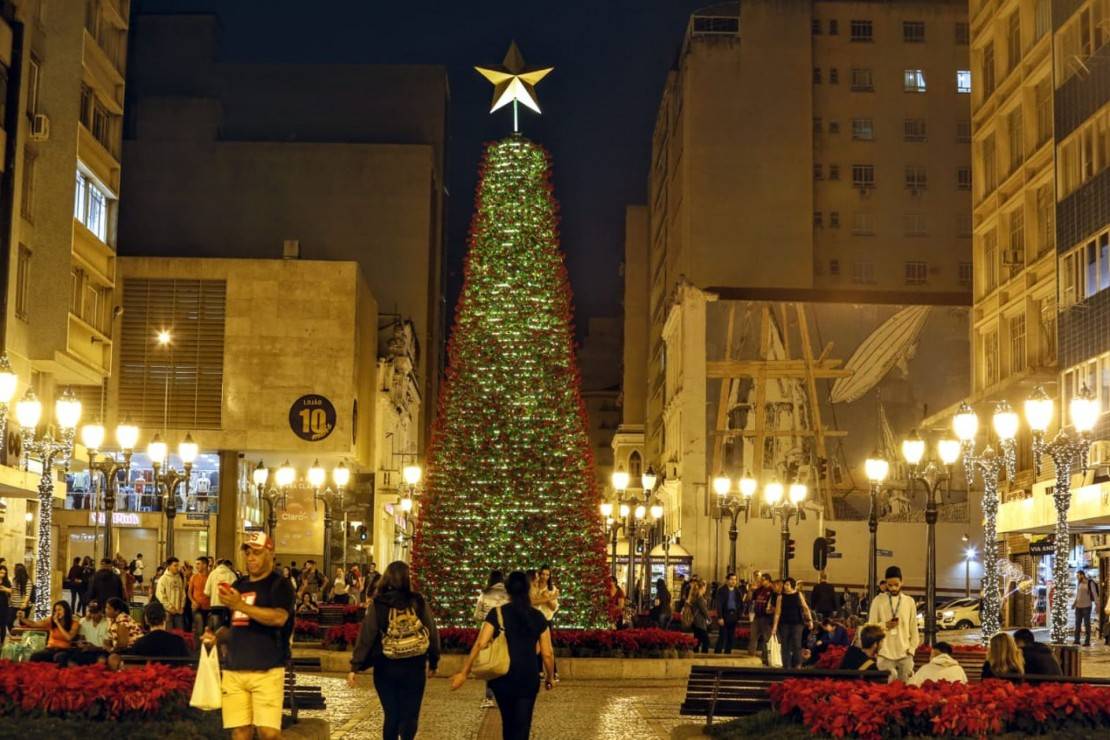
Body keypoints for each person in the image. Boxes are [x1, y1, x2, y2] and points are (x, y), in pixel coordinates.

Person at [203, 531, 295, 740]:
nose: (251, 558)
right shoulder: (239, 586)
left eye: (257, 553)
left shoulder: (280, 585)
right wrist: (215, 637)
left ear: (270, 555)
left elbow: (279, 618)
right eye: (248, 553)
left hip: (267, 669)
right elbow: (232, 626)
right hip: (235, 669)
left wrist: (241, 605)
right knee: (240, 732)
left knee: (268, 733)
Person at [451, 571, 555, 740]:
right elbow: (547, 654)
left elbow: (480, 643)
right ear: (528, 589)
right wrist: (550, 677)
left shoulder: (497, 613)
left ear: (508, 590)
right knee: (523, 725)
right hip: (528, 676)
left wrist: (464, 672)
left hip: (502, 676)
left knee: (508, 722)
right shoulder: (537, 617)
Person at [348, 561, 440, 740]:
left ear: (386, 578)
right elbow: (432, 632)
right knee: (410, 714)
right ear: (407, 578)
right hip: (414, 667)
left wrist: (355, 666)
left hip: (386, 667)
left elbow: (367, 636)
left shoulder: (378, 604)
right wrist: (434, 661)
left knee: (392, 715)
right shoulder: (418, 601)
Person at [866, 566, 919, 682]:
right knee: (888, 683)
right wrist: (885, 625)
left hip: (905, 653)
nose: (893, 588)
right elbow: (870, 627)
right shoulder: (878, 601)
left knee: (907, 688)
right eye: (890, 585)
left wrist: (911, 649)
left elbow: (914, 628)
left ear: (902, 582)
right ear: (886, 584)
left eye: (896, 584)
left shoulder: (909, 602)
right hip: (884, 653)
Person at [109, 601, 190, 669]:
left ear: (146, 620)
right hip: (173, 684)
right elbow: (186, 665)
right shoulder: (178, 642)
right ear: (165, 617)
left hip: (148, 683)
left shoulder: (140, 643)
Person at [474, 570, 511, 708]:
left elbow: (478, 615)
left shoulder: (484, 594)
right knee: (504, 660)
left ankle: (489, 697)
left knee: (490, 662)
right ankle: (506, 695)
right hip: (505, 632)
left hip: (488, 632)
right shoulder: (509, 594)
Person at [771, 577, 812, 669]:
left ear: (792, 585)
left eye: (787, 585)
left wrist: (810, 620)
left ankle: (798, 664)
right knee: (785, 645)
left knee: (797, 643)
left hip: (797, 623)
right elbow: (777, 613)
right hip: (784, 624)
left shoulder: (798, 594)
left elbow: (805, 608)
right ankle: (786, 666)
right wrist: (774, 627)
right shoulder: (780, 597)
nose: (785, 586)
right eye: (785, 585)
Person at [530, 565, 559, 679]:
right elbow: (532, 602)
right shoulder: (534, 586)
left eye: (547, 575)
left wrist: (548, 598)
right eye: (543, 574)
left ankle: (553, 671)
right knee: (535, 645)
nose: (545, 577)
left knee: (547, 647)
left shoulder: (552, 589)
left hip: (546, 619)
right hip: (533, 619)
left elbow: (553, 607)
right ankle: (539, 671)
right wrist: (547, 598)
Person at [747, 573, 775, 662]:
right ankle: (750, 656)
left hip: (766, 618)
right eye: (761, 580)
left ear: (768, 580)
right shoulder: (759, 590)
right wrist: (750, 590)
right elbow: (751, 599)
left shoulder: (772, 590)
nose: (761, 581)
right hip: (757, 616)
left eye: (763, 580)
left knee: (766, 638)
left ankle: (765, 658)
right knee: (753, 637)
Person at [714, 572, 743, 654]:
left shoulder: (737, 591)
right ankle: (717, 653)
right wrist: (720, 617)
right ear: (727, 580)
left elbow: (741, 604)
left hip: (733, 616)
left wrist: (739, 615)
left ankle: (728, 653)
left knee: (731, 637)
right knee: (722, 636)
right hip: (724, 615)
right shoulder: (721, 590)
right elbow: (718, 605)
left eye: (735, 579)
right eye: (731, 579)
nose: (733, 581)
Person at [205, 558, 238, 629]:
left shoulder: (212, 574)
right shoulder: (232, 575)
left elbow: (207, 592)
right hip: (227, 606)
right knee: (225, 629)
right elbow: (236, 591)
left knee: (216, 629)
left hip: (214, 605)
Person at [156, 557, 186, 630]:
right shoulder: (163, 579)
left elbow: (183, 593)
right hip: (167, 612)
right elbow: (160, 596)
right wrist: (170, 608)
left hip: (178, 611)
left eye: (178, 565)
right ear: (169, 566)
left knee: (180, 633)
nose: (177, 568)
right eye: (175, 565)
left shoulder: (179, 578)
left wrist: (182, 606)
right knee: (168, 633)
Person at [1073, 570, 1099, 647]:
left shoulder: (1090, 583)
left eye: (1078, 575)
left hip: (1087, 606)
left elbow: (1094, 594)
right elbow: (1078, 595)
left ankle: (1087, 641)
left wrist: (1097, 605)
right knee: (1077, 624)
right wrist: (1074, 604)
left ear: (1082, 575)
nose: (1077, 577)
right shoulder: (1079, 583)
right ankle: (1076, 640)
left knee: (1087, 624)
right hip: (1078, 607)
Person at [191, 557, 212, 639]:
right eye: (196, 564)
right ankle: (197, 648)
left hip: (209, 607)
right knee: (199, 628)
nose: (196, 566)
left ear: (205, 565)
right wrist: (193, 601)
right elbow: (189, 592)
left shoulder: (211, 576)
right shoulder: (194, 577)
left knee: (208, 629)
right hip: (197, 607)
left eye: (198, 564)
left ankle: (206, 648)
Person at [689, 579, 711, 654]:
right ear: (703, 587)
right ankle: (704, 656)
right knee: (706, 641)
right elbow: (704, 611)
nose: (706, 589)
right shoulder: (700, 598)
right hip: (700, 623)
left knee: (697, 641)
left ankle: (695, 655)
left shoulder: (695, 596)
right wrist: (709, 619)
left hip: (696, 622)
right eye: (705, 587)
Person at [0, 564, 11, 645]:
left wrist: (5, 589)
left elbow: (11, 591)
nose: (2, 575)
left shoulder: (6, 581)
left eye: (4, 573)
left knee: (3, 625)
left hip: (4, 605)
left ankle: (2, 642)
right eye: (1, 572)